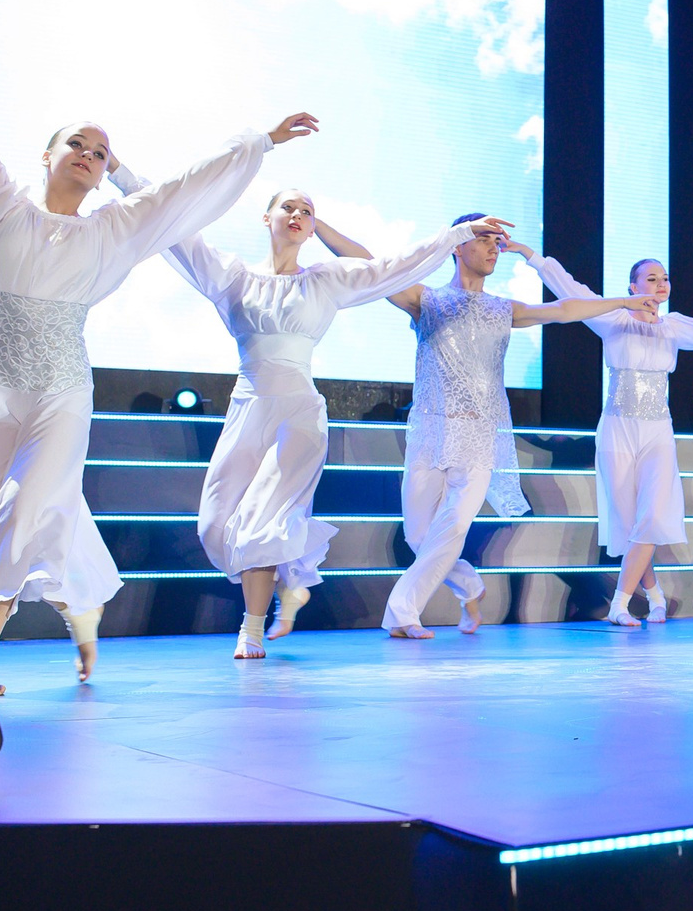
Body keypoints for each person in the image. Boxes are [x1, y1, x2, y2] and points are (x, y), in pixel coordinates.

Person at [0, 0, 314, 693]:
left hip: (63, 393)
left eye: (101, 153)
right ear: (48, 154)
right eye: (78, 143)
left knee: (26, 507)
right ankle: (84, 607)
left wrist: (259, 141)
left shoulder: (111, 230)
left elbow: (183, 187)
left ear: (106, 173)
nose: (90, 155)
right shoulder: (0, 206)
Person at [108, 169, 508, 658]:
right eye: (289, 207)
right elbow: (173, 224)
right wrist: (119, 174)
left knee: (261, 520)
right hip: (247, 408)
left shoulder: (324, 281)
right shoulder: (231, 276)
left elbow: (392, 267)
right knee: (214, 526)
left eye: (307, 211)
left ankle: (251, 629)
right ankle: (290, 579)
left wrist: (458, 234)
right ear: (267, 218)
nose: (298, 215)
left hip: (298, 415)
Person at [316, 224, 661, 637]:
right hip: (429, 433)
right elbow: (369, 265)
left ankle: (403, 613)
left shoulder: (503, 309)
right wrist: (317, 225)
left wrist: (625, 301)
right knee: (419, 536)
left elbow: (564, 309)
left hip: (478, 438)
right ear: (457, 246)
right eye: (483, 240)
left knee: (453, 528)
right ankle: (469, 585)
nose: (493, 249)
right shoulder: (427, 300)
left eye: (497, 243)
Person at [524, 250, 693, 626]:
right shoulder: (612, 319)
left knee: (651, 516)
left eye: (664, 278)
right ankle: (655, 596)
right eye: (651, 279)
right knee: (629, 523)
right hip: (617, 429)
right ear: (632, 287)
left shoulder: (674, 326)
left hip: (657, 431)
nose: (660, 284)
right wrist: (531, 256)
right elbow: (570, 289)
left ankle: (619, 605)